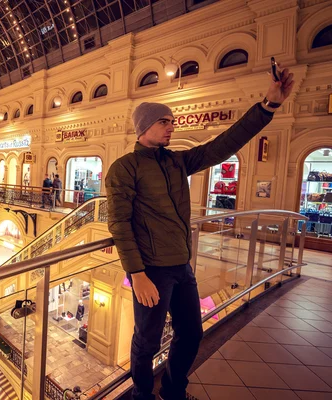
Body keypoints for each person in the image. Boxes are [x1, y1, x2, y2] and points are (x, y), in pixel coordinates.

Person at [105, 67, 294, 400]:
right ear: (145, 126)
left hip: (182, 266)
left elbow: (222, 145)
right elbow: (119, 223)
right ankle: (142, 395)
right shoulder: (125, 168)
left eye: (172, 122)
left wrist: (268, 106)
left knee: (191, 333)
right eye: (165, 121)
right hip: (151, 269)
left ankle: (174, 390)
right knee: (146, 341)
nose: (171, 127)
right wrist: (137, 273)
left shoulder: (178, 161)